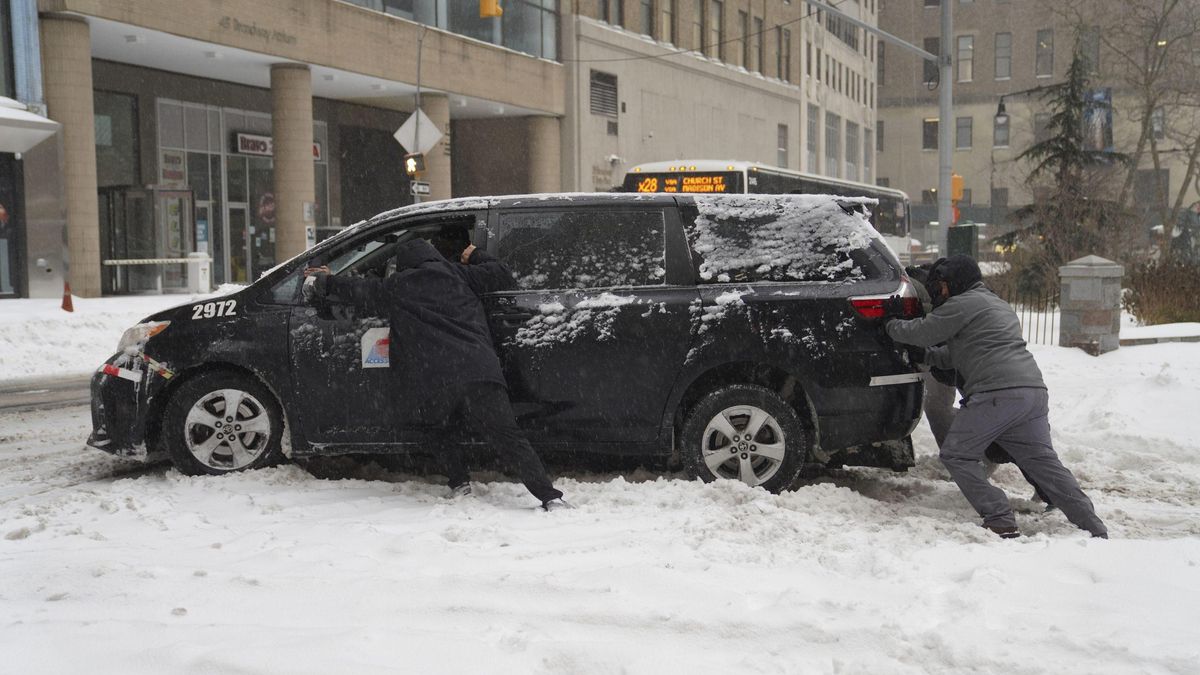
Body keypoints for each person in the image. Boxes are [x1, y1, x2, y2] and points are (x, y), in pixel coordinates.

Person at [303, 236, 569, 511]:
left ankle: (459, 482)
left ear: (403, 265)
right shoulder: (459, 274)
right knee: (508, 437)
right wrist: (476, 254)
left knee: (438, 429)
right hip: (479, 372)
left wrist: (324, 280)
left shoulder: (397, 285)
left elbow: (355, 289)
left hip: (433, 378)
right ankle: (549, 496)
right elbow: (501, 274)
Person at [885, 255, 1107, 539]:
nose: (938, 292)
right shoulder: (996, 304)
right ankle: (1092, 526)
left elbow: (922, 331)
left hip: (997, 394)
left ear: (953, 283)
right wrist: (927, 356)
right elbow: (959, 354)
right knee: (1043, 464)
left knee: (956, 454)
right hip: (1032, 393)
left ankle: (999, 517)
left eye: (940, 286)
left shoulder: (961, 304)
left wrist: (891, 322)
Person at [905, 264, 1055, 511]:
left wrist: (926, 350)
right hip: (996, 382)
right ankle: (1047, 491)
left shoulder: (953, 302)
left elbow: (936, 338)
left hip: (994, 384)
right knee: (1016, 441)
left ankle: (1045, 493)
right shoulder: (967, 298)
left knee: (1015, 442)